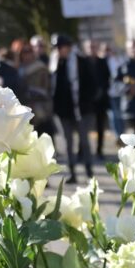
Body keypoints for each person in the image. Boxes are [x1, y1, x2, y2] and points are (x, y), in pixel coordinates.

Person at [50, 34, 96, 183]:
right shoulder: (54, 63)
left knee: (84, 141)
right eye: (57, 48)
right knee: (67, 143)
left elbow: (91, 83)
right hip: (63, 111)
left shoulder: (81, 61)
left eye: (61, 47)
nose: (59, 50)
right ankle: (72, 172)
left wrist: (87, 101)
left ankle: (89, 171)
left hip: (80, 109)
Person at [18, 43, 55, 135]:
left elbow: (46, 88)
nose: (27, 55)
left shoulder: (40, 67)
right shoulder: (18, 68)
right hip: (24, 109)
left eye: (29, 51)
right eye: (24, 52)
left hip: (41, 107)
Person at [85, 40, 112, 155]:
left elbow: (107, 78)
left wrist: (102, 91)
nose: (92, 49)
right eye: (90, 47)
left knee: (100, 125)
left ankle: (99, 149)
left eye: (94, 47)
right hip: (87, 101)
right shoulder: (83, 62)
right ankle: (83, 149)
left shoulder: (102, 62)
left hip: (101, 100)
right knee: (85, 126)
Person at [103, 42, 126, 140]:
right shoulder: (104, 61)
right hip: (110, 92)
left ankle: (122, 133)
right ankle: (117, 134)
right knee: (114, 114)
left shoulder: (119, 60)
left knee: (121, 114)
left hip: (120, 91)